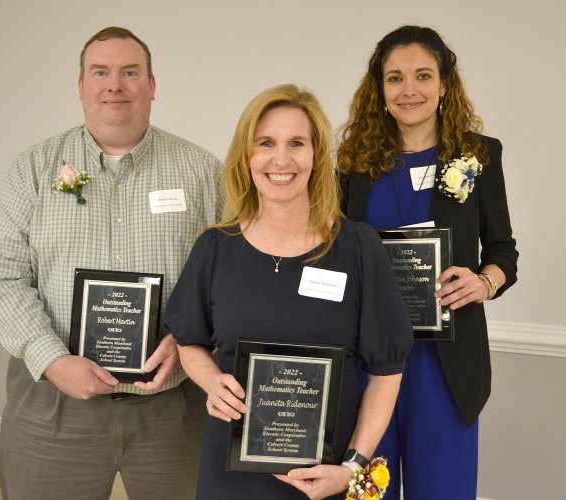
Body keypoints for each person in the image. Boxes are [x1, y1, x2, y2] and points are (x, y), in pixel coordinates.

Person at [0, 26, 223, 500]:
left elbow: (231, 275)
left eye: (130, 72)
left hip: (173, 407)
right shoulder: (33, 168)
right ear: (81, 85)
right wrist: (51, 359)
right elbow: (0, 273)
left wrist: (193, 338)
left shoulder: (203, 171)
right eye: (101, 72)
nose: (116, 84)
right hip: (54, 405)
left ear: (152, 85)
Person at [163, 84, 414, 500]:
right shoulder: (215, 247)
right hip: (231, 472)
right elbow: (190, 341)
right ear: (247, 156)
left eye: (296, 143)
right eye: (266, 143)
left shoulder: (358, 247)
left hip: (327, 475)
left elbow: (387, 373)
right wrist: (212, 381)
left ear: (316, 157)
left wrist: (352, 468)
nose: (281, 159)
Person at [338, 25, 519, 499]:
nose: (409, 89)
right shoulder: (352, 166)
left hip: (447, 365)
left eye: (422, 75)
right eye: (395, 77)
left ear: (444, 84)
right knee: (366, 493)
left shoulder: (479, 156)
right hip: (369, 361)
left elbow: (503, 251)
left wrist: (484, 282)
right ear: (379, 89)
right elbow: (336, 257)